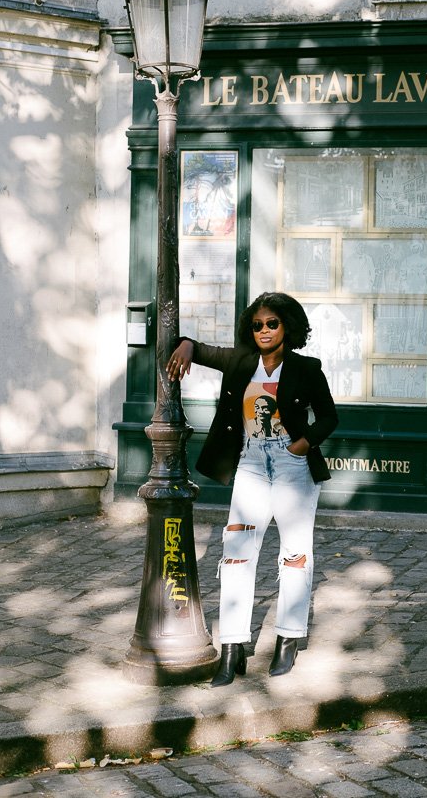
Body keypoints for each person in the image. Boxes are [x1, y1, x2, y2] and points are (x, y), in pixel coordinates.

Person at [166, 292, 339, 685]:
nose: (263, 330)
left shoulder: (306, 368)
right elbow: (205, 351)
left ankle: (288, 640)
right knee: (237, 554)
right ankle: (232, 648)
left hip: (293, 466)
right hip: (251, 464)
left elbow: (330, 416)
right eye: (257, 324)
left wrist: (302, 444)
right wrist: (187, 346)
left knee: (294, 554)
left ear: (287, 327)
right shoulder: (242, 363)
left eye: (272, 324)